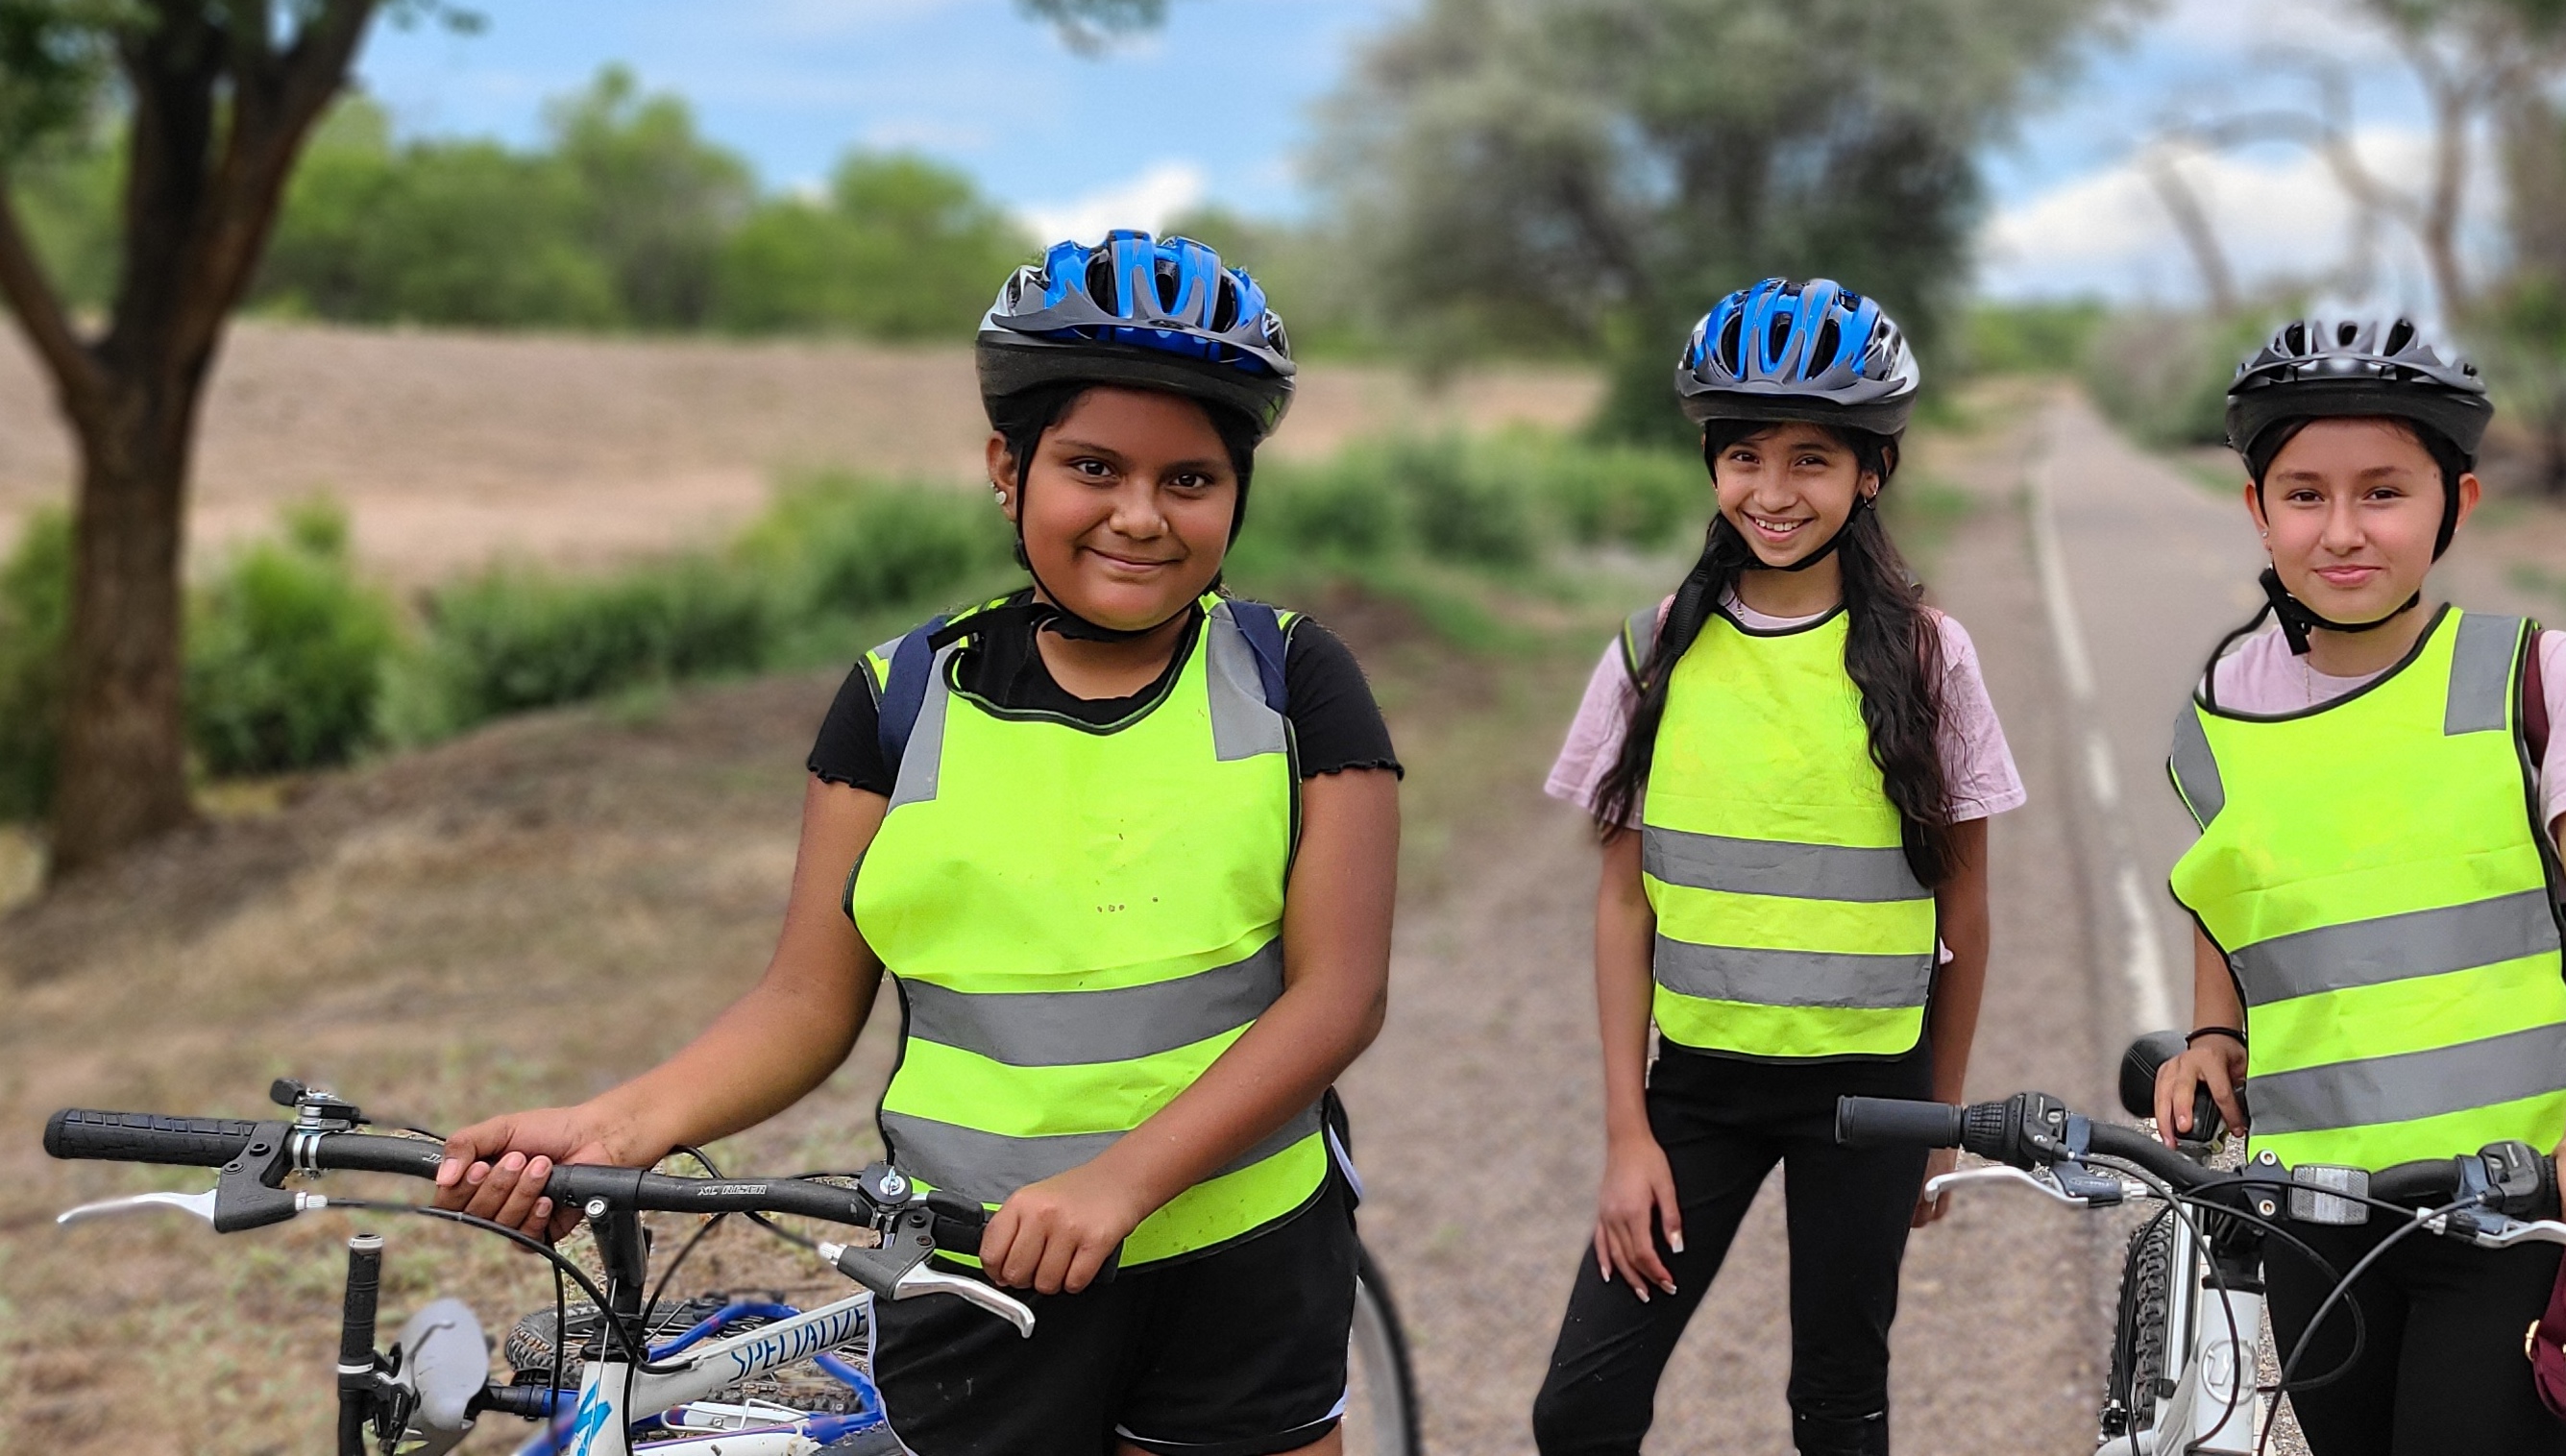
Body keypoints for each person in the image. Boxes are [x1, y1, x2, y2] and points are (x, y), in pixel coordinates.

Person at [430, 230, 1404, 1456]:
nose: (1140, 517)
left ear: (1236, 491)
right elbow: (802, 1000)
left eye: (1190, 480)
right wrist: (615, 1128)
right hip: (970, 1267)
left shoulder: (1291, 678)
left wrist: (1124, 1181)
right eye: (1092, 467)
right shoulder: (899, 697)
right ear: (1009, 466)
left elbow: (1340, 994)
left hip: (1240, 1257)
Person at [2153, 317, 2566, 1456]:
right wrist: (2211, 1026)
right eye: (2302, 494)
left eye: (2383, 492)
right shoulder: (2218, 702)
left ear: (2456, 502)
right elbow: (2231, 883)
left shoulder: (2534, 676)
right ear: (2256, 511)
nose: (2341, 531)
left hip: (2508, 1208)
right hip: (2313, 1211)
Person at [1531, 278, 2023, 1456]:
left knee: (1837, 1405)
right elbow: (1619, 904)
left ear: (1869, 474)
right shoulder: (1655, 649)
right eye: (1744, 454)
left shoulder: (1926, 655)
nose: (1773, 490)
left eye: (1811, 458)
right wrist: (1624, 1132)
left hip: (1871, 1095)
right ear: (1710, 464)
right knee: (1580, 1410)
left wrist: (1937, 1120)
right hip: (1693, 1091)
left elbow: (1966, 911)